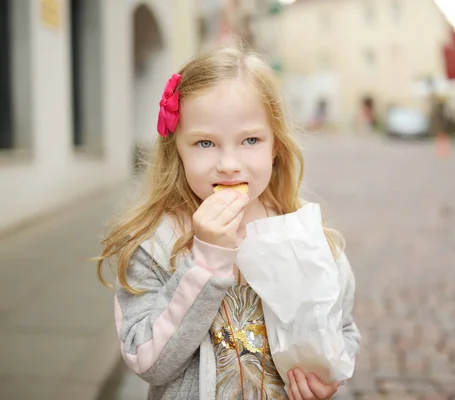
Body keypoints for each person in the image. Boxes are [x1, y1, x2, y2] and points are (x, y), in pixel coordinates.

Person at [96, 40, 360, 400]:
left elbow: (341, 328)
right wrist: (204, 262)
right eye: (205, 143)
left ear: (275, 147)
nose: (229, 163)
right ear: (178, 151)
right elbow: (148, 361)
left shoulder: (306, 237)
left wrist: (329, 374)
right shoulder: (155, 243)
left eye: (250, 140)